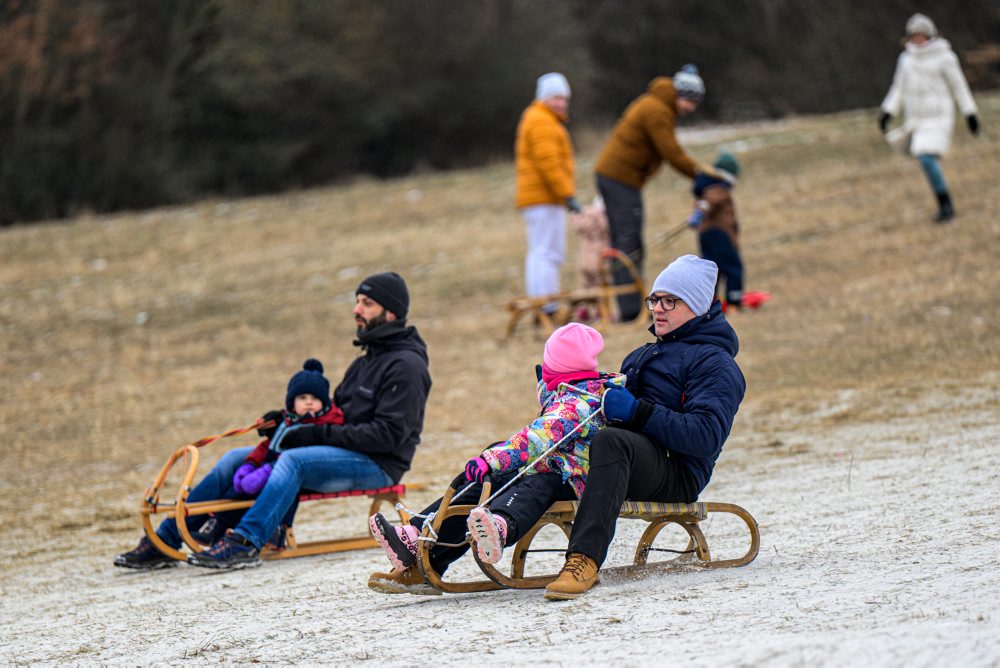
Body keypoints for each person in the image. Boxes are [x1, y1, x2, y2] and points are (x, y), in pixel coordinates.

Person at [114, 272, 432, 570]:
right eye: (357, 301)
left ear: (391, 312)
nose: (356, 310)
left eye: (367, 303)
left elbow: (389, 435)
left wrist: (317, 434)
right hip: (342, 453)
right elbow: (336, 415)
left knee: (293, 461)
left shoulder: (406, 366)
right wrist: (288, 421)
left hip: (377, 464)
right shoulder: (365, 361)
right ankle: (164, 540)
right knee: (234, 458)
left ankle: (245, 541)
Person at [366, 323, 626, 595]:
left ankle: (500, 527)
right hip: (546, 467)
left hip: (571, 478)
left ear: (557, 367)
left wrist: (491, 459)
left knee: (532, 481)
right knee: (484, 481)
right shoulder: (566, 393)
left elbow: (535, 439)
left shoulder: (578, 402)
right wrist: (489, 463)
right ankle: (416, 536)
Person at [543, 254, 746, 600]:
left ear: (697, 306)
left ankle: (584, 560)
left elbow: (705, 435)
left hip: (676, 472)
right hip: (625, 460)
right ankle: (443, 542)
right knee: (542, 450)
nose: (658, 309)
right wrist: (566, 393)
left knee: (612, 442)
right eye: (655, 299)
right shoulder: (642, 355)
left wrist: (637, 412)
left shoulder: (716, 364)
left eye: (671, 301)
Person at [595, 64, 727, 322]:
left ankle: (629, 304)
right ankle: (629, 309)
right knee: (628, 241)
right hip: (619, 180)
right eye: (690, 101)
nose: (691, 108)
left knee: (627, 239)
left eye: (695, 103)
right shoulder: (657, 110)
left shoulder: (657, 105)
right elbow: (671, 152)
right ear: (679, 95)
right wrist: (701, 173)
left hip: (619, 179)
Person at [879, 13, 980, 223]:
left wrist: (970, 113)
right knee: (923, 158)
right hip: (916, 119)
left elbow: (959, 86)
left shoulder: (945, 57)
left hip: (938, 117)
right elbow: (898, 88)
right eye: (914, 35)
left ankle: (945, 205)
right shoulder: (906, 60)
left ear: (930, 35)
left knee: (925, 157)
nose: (917, 39)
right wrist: (887, 111)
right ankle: (944, 204)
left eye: (921, 35)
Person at [515, 72, 580, 312]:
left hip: (537, 199)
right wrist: (568, 195)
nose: (561, 103)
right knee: (550, 253)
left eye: (564, 99)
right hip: (545, 198)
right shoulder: (542, 121)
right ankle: (548, 306)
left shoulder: (538, 118)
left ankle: (539, 303)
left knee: (538, 252)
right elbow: (549, 163)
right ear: (544, 97)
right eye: (556, 98)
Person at [688, 151, 744, 309]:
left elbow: (706, 201)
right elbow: (710, 201)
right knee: (733, 267)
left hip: (706, 235)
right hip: (721, 235)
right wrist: (700, 212)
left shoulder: (705, 187)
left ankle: (710, 303)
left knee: (711, 270)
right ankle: (734, 302)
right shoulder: (719, 187)